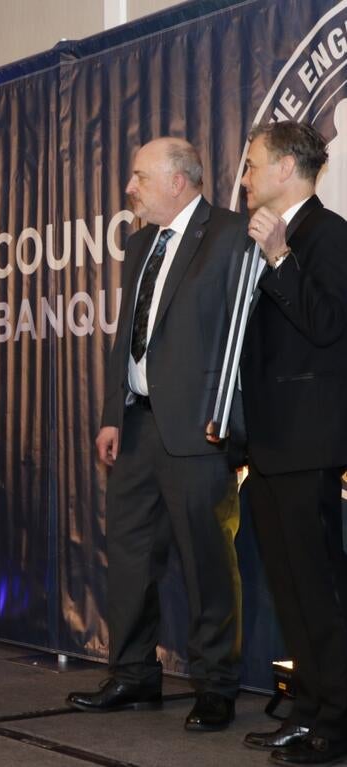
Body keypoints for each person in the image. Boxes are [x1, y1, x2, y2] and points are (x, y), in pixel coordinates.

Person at [67, 138, 246, 731]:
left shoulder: (229, 235)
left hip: (199, 427)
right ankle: (133, 674)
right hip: (138, 423)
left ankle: (216, 685)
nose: (129, 189)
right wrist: (112, 413)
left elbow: (240, 336)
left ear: (179, 180)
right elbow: (129, 335)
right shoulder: (141, 241)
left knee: (205, 561)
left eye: (139, 177)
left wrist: (228, 416)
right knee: (130, 556)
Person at [238, 121, 347, 765]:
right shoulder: (266, 240)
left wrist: (280, 259)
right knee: (290, 588)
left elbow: (330, 325)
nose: (246, 176)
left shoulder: (327, 235)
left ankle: (335, 723)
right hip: (272, 443)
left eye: (252, 164)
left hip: (308, 443)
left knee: (317, 588)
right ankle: (309, 713)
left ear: (286, 169)